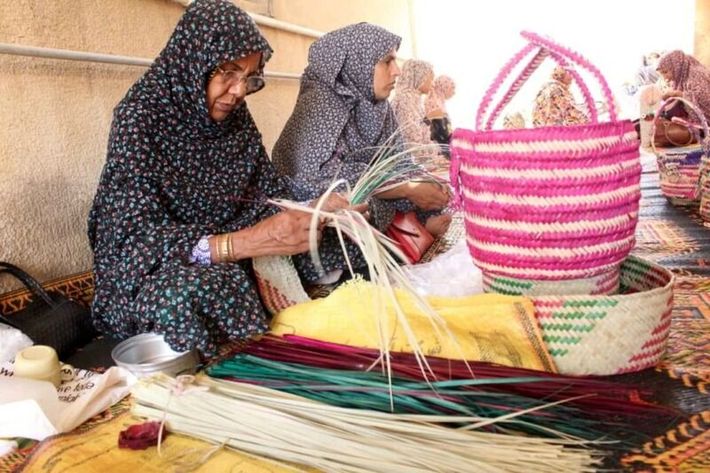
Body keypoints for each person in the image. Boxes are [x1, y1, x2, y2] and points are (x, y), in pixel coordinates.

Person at [87, 0, 361, 357]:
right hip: (161, 266)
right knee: (190, 294)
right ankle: (239, 362)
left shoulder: (236, 118)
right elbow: (135, 241)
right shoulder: (140, 119)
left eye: (248, 77)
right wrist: (244, 243)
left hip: (242, 249)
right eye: (227, 73)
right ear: (192, 62)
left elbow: (268, 189)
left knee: (336, 239)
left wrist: (316, 207)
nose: (239, 91)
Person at [272, 23, 450, 239]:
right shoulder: (321, 103)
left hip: (373, 186)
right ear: (358, 64)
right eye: (387, 61)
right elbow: (323, 181)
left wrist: (421, 181)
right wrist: (406, 188)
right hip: (313, 205)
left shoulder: (377, 105)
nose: (397, 70)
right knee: (354, 209)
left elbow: (397, 159)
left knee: (422, 185)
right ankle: (405, 232)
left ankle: (416, 225)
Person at [391, 59, 436, 155]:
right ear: (419, 77)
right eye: (431, 78)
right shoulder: (405, 100)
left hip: (419, 160)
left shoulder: (415, 100)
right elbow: (410, 140)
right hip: (408, 162)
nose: (433, 83)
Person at [656, 50, 710, 124]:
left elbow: (706, 99)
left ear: (677, 66)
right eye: (662, 74)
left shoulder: (696, 75)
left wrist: (677, 94)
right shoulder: (682, 76)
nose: (665, 77)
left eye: (665, 72)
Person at [424, 75, 456, 154]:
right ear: (444, 87)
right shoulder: (434, 103)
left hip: (440, 144)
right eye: (452, 88)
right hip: (437, 147)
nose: (454, 92)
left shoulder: (439, 101)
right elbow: (435, 128)